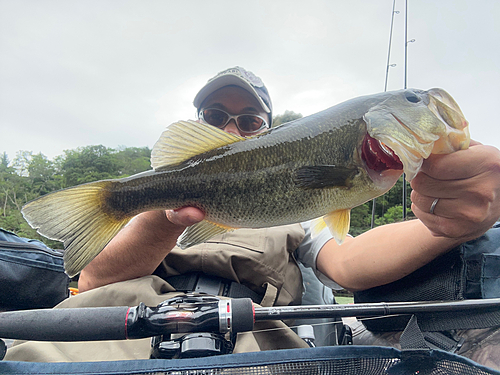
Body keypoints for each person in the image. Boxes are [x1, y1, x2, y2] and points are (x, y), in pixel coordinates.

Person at [5, 67, 500, 368]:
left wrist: (446, 225)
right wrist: (167, 217)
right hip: (125, 331)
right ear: (198, 127)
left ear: (269, 128)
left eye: (249, 120)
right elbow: (94, 277)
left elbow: (348, 265)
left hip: (253, 340)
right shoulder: (152, 198)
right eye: (215, 116)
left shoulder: (300, 217)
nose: (231, 126)